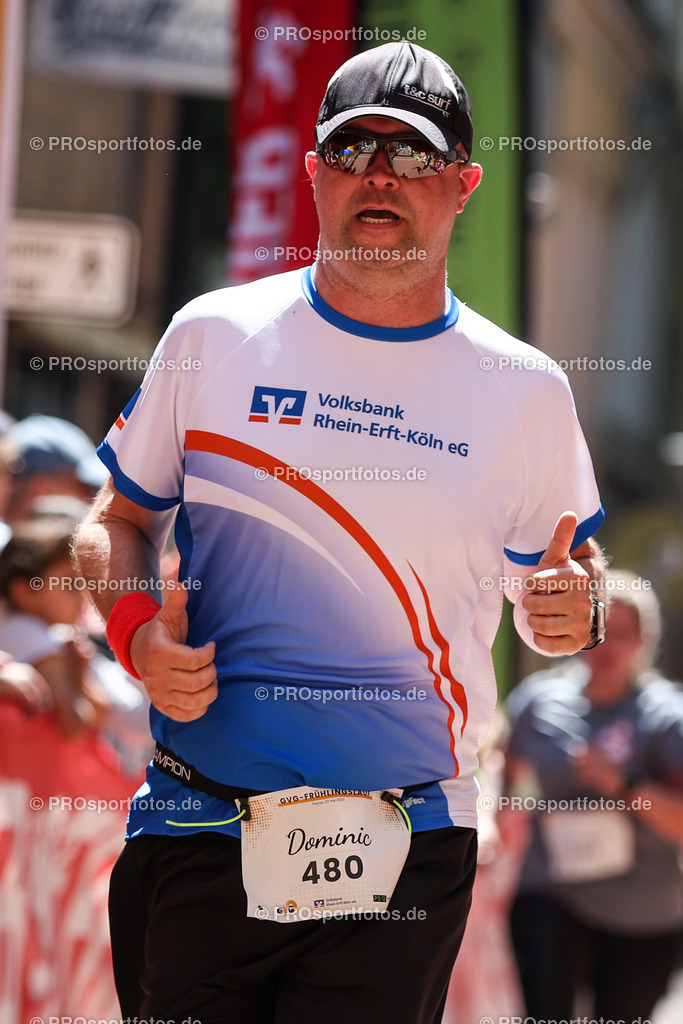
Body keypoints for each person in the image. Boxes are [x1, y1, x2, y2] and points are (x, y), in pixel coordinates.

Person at [74, 41, 606, 1024]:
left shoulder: (525, 390)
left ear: (462, 184)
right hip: (204, 815)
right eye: (353, 149)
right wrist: (138, 634)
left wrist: (575, 608)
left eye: (410, 156)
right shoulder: (212, 335)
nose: (378, 176)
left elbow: (555, 604)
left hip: (406, 831)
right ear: (312, 175)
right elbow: (118, 520)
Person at [505, 570, 683, 1021]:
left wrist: (620, 785)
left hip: (643, 913)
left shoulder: (668, 718)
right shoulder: (538, 703)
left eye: (623, 634)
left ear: (645, 641)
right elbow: (509, 788)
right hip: (552, 894)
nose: (609, 647)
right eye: (601, 631)